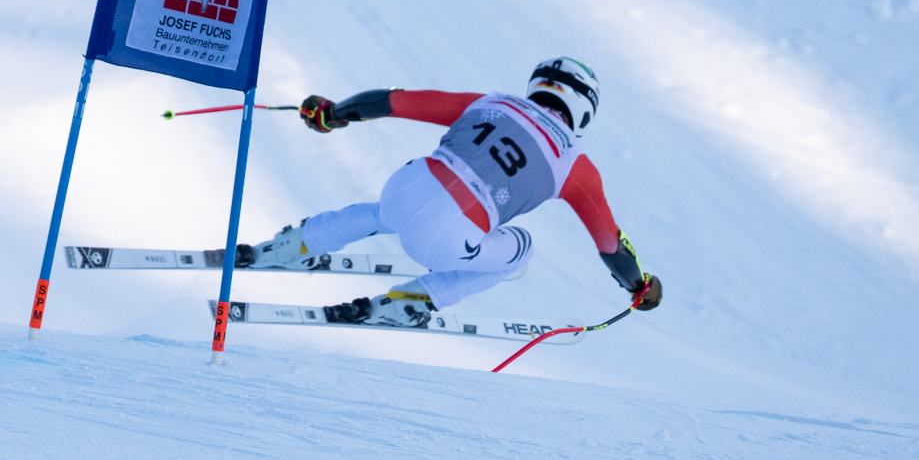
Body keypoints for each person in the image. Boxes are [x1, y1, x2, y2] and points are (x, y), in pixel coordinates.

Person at [237, 57, 663, 326]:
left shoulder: (493, 102)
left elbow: (392, 101)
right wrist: (638, 286)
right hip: (450, 238)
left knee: (382, 212)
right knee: (520, 253)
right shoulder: (577, 165)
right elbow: (610, 245)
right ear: (583, 106)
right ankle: (411, 301)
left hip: (407, 185)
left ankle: (293, 244)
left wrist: (332, 114)